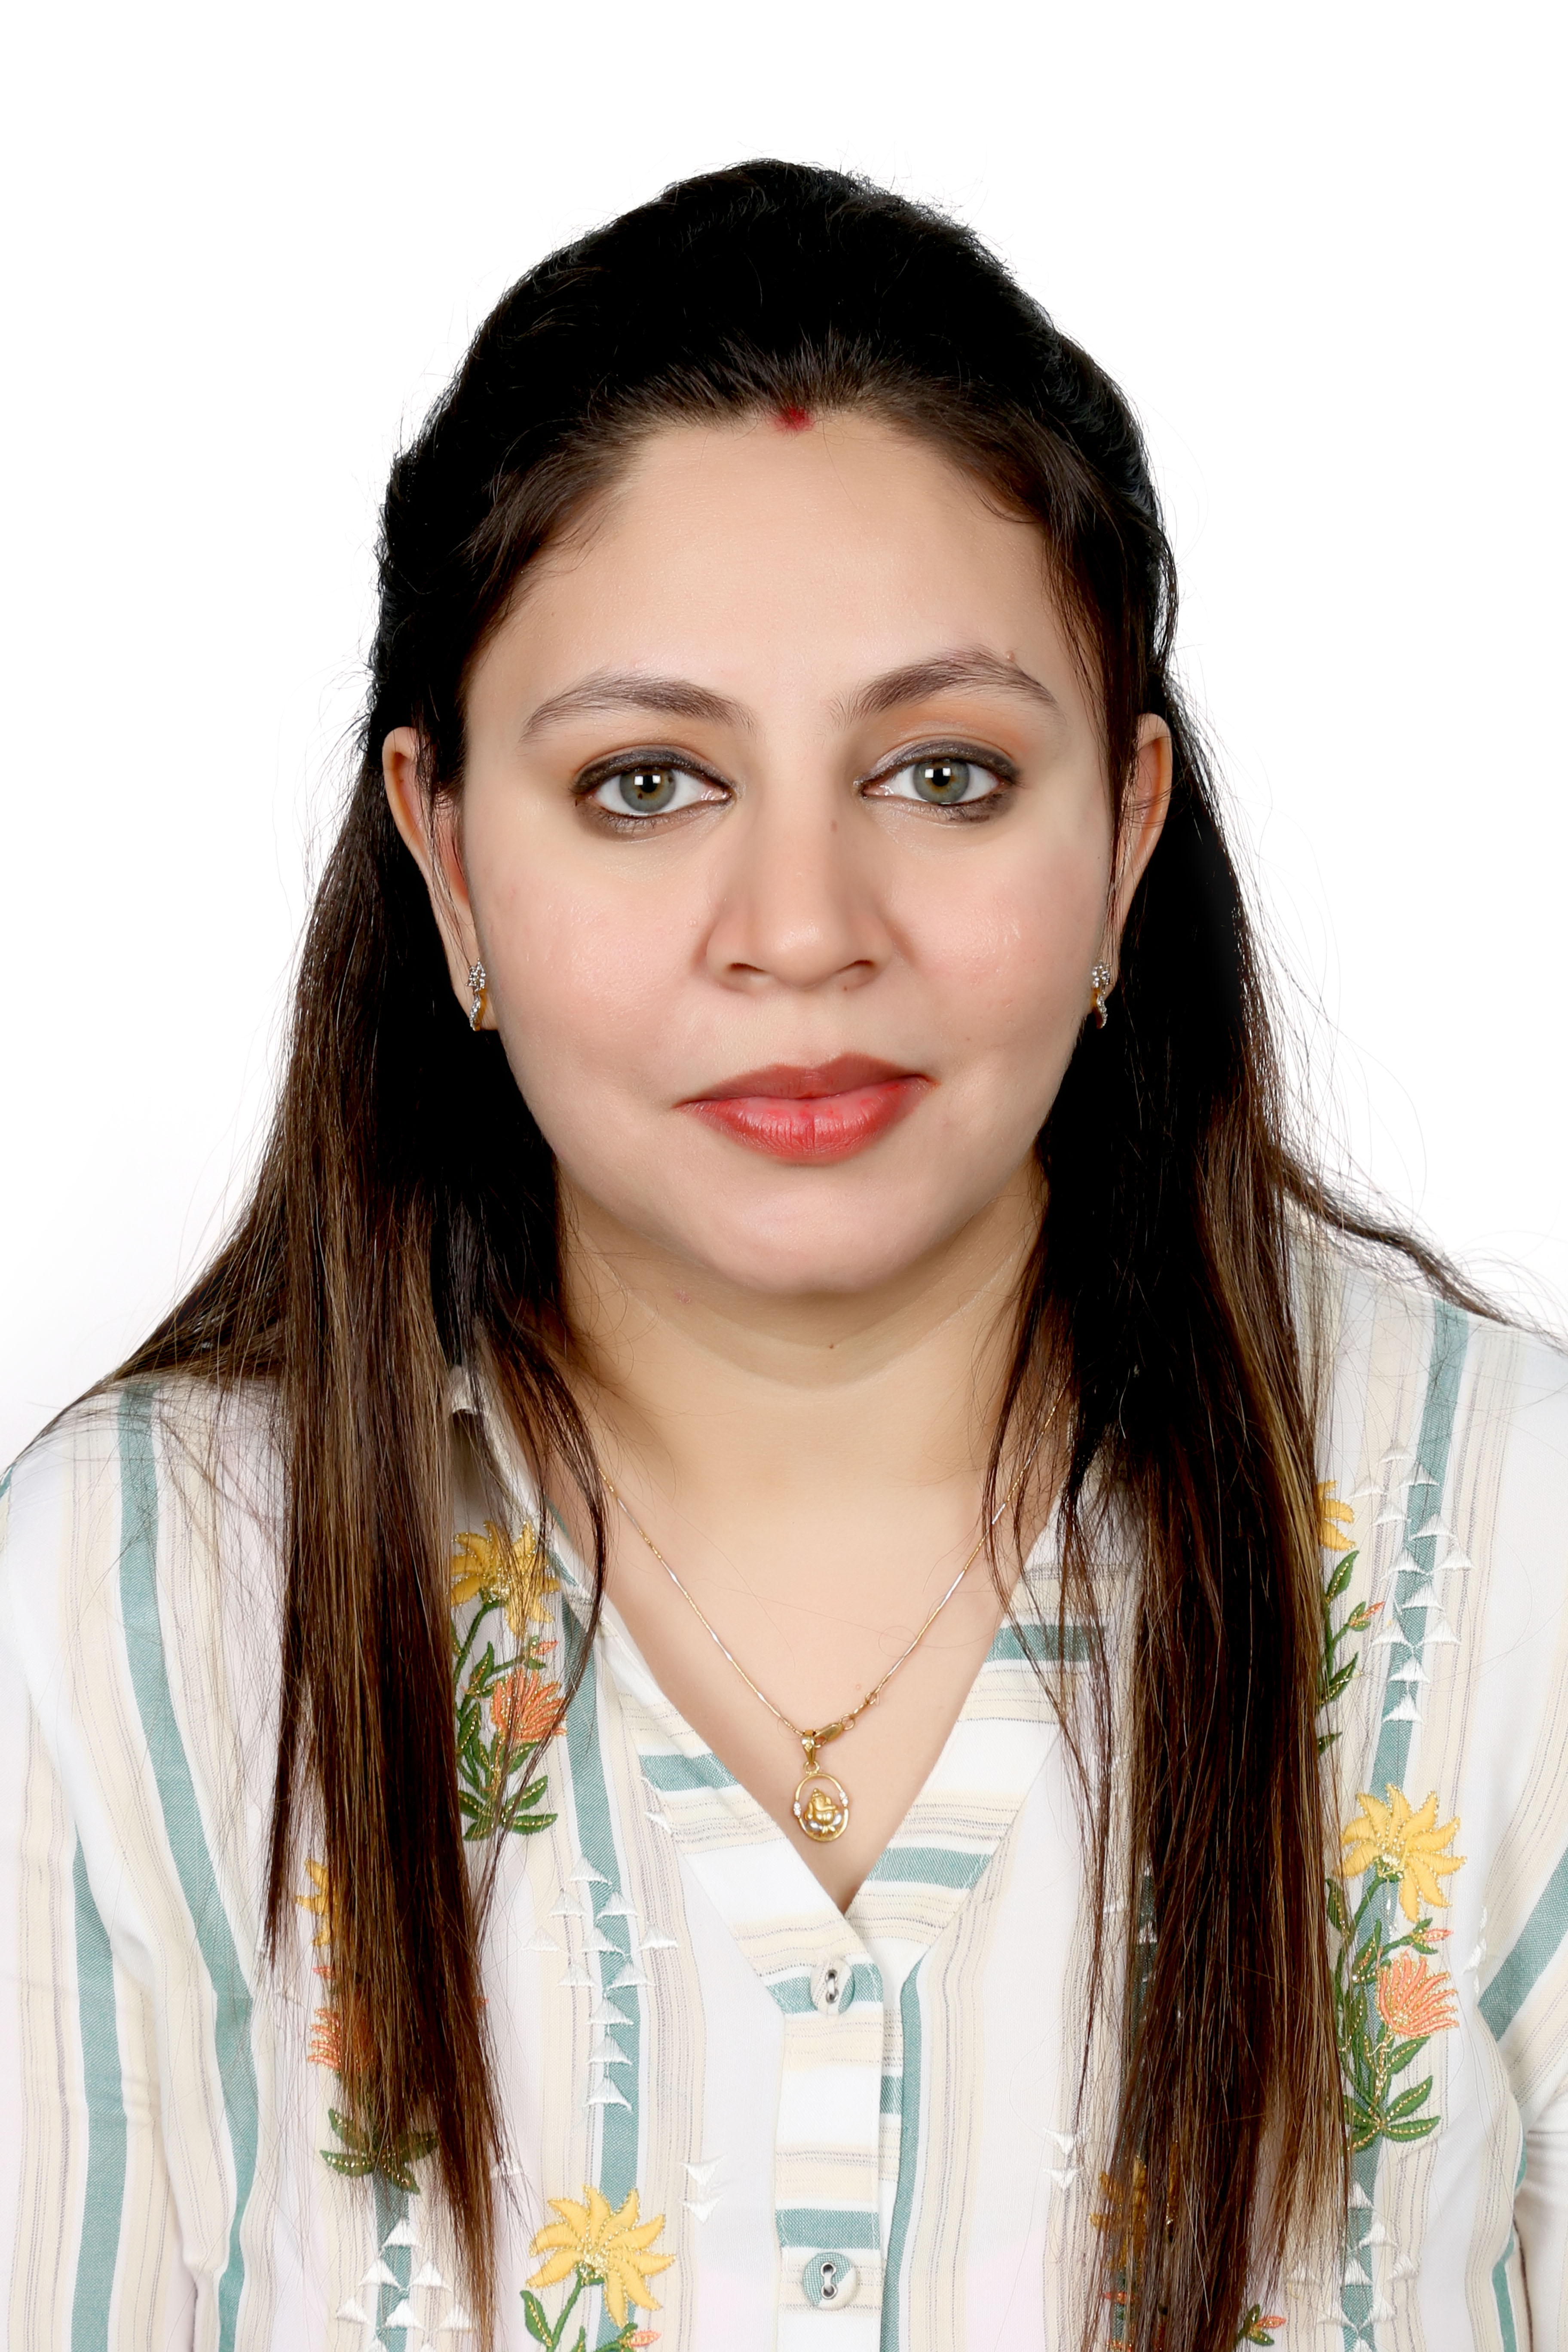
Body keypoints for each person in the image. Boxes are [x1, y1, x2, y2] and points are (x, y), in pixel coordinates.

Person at [2, 158, 1565, 2352]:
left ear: (1127, 833)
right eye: (648, 785)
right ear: (445, 857)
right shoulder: (134, 1611)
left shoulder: (1506, 1548)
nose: (806, 930)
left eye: (944, 774)